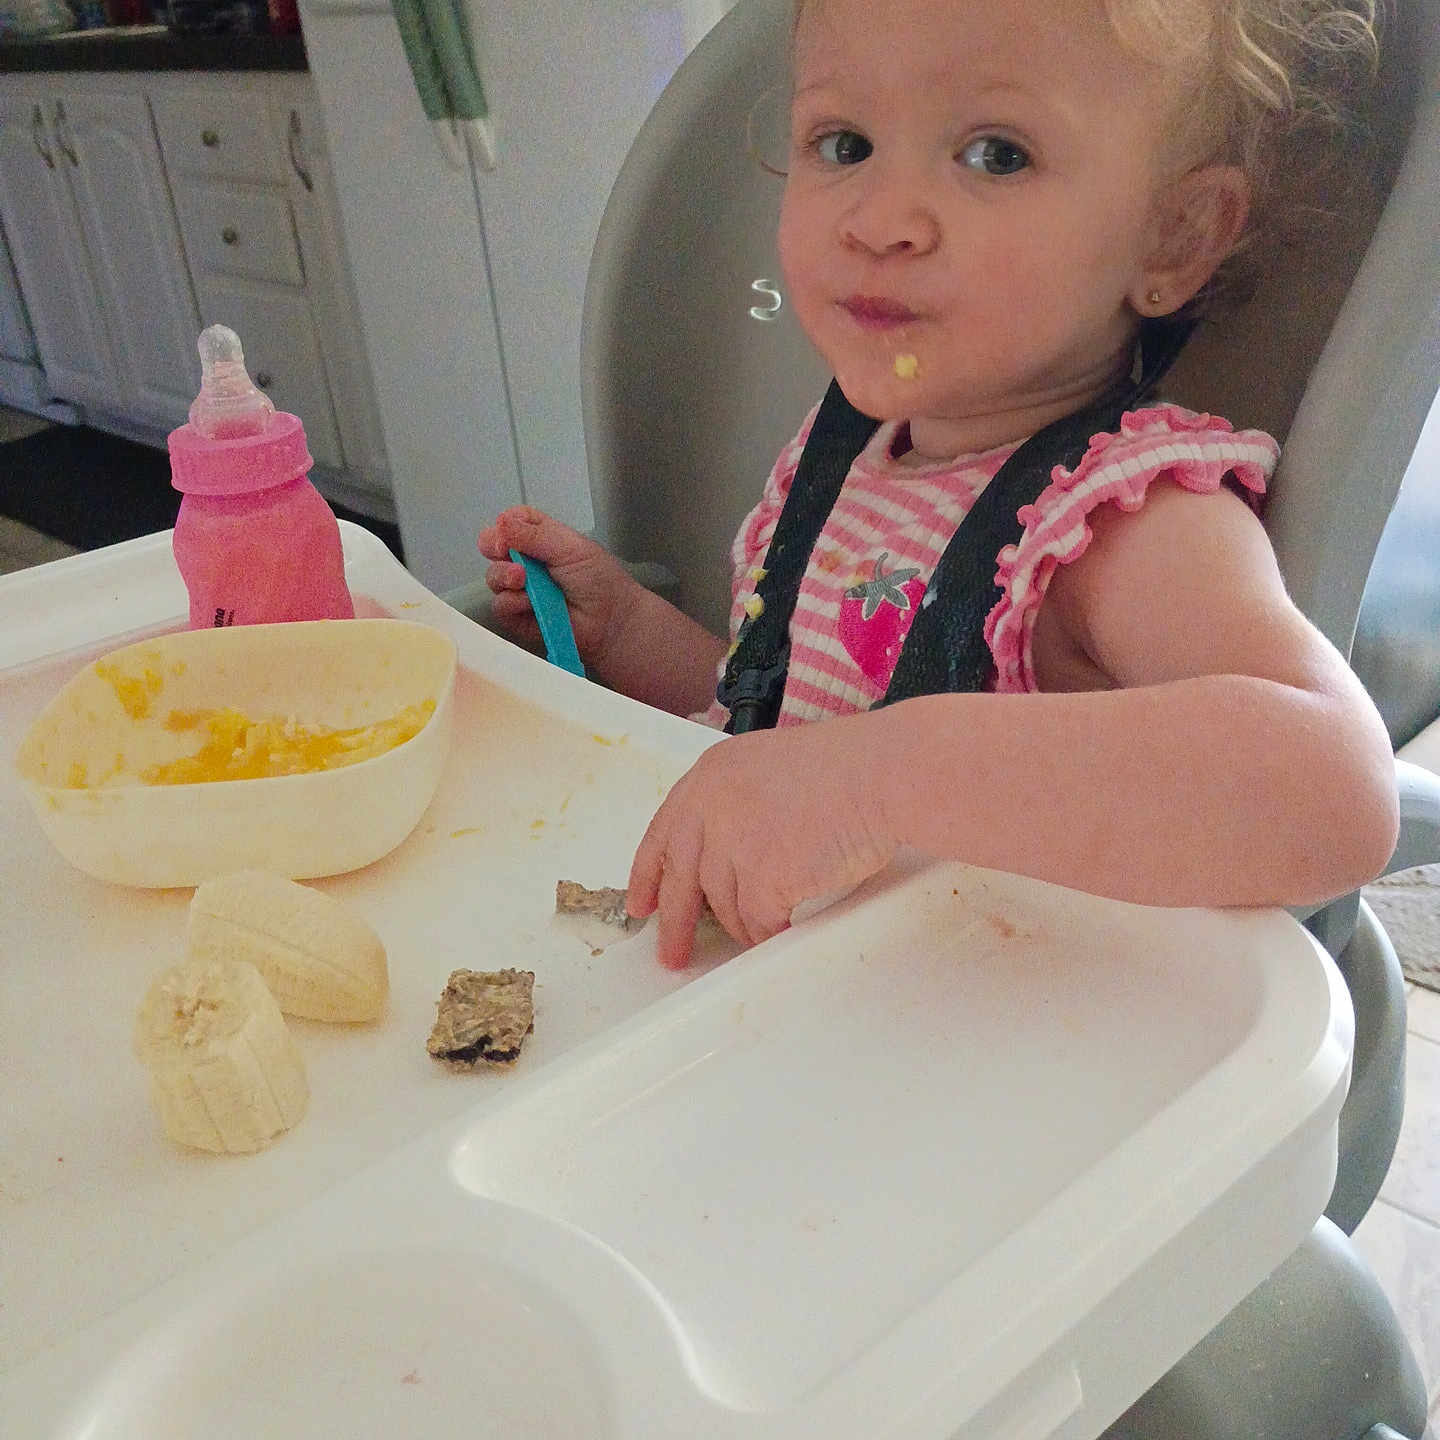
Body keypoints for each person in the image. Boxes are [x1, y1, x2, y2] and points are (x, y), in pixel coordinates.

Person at [479, 0, 1397, 970]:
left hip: (974, 1062)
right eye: (845, 143)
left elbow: (1334, 792)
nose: (880, 220)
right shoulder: (846, 460)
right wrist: (624, 633)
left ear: (1174, 235)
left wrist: (879, 777)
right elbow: (788, 729)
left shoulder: (1121, 518)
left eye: (995, 154)